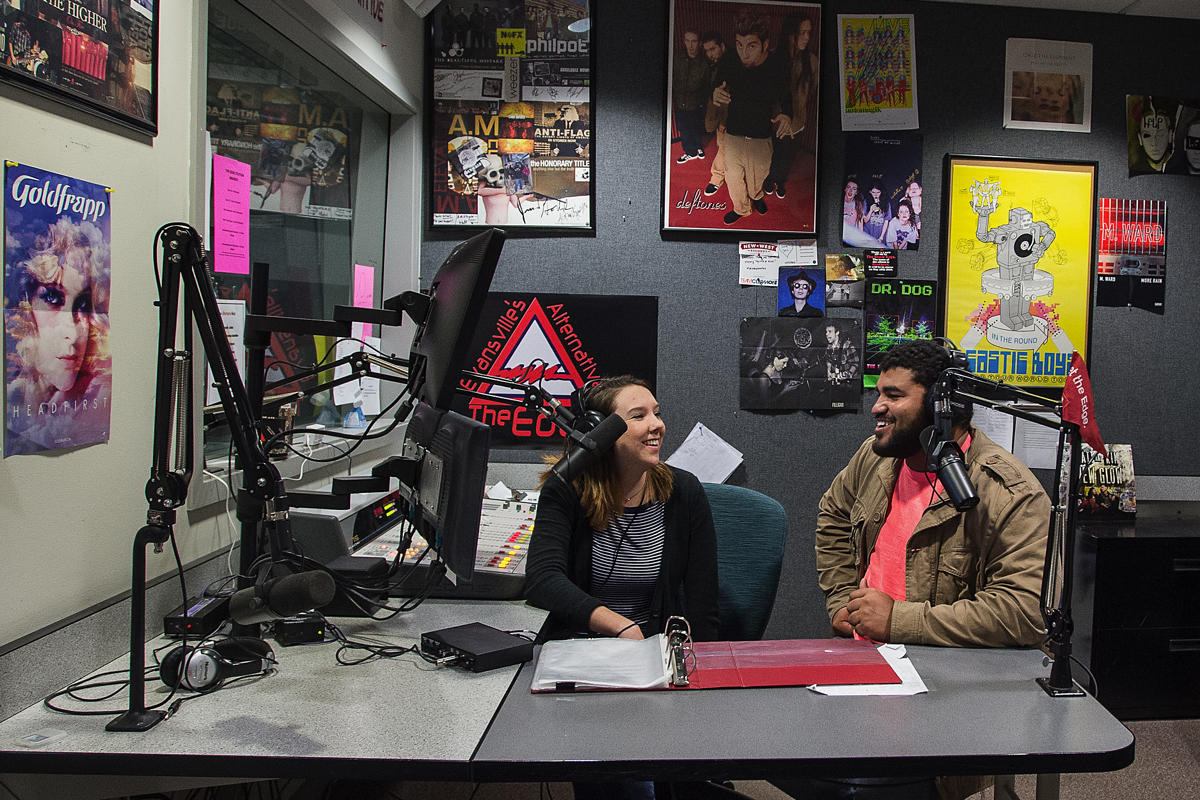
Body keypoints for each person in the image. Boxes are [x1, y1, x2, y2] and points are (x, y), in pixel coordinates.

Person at [792, 339, 1050, 800]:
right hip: (861, 666)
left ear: (940, 404)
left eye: (893, 395)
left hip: (947, 690)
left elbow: (1024, 611)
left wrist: (897, 620)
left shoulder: (1008, 492)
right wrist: (839, 598)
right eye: (878, 393)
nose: (877, 407)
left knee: (862, 790)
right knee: (776, 751)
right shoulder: (875, 457)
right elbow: (832, 513)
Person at [525, 376, 720, 645]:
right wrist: (619, 626)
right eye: (638, 416)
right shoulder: (566, 487)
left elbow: (703, 603)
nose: (657, 425)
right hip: (576, 649)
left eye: (657, 413)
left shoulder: (683, 491)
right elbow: (543, 580)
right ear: (599, 432)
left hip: (651, 654)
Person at [5, 218, 109, 454]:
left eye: (83, 304)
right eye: (52, 299)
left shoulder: (94, 398)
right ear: (25, 306)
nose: (72, 333)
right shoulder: (14, 406)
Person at [711, 10, 793, 225]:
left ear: (765, 45)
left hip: (761, 136)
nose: (743, 54)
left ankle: (756, 196)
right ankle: (741, 208)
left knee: (758, 179)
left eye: (751, 46)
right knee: (733, 178)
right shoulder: (729, 59)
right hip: (734, 133)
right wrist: (714, 91)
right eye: (739, 45)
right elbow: (717, 82)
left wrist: (786, 114)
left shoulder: (777, 65)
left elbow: (786, 97)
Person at [762, 13, 818, 199]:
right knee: (771, 154)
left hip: (797, 122)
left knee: (788, 156)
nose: (807, 38)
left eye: (809, 33)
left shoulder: (811, 61)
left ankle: (781, 180)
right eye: (802, 33)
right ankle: (769, 179)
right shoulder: (774, 57)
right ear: (790, 34)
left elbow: (811, 91)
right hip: (774, 121)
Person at [672, 29, 711, 164]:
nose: (690, 45)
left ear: (699, 43)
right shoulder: (677, 57)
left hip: (696, 103)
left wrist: (702, 102)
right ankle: (690, 152)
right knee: (684, 128)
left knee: (697, 127)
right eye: (687, 41)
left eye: (693, 41)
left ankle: (698, 147)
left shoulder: (704, 62)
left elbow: (707, 85)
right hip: (680, 102)